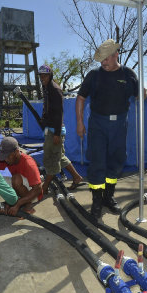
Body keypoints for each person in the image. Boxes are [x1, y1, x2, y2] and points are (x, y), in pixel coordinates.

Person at [75, 39, 139, 218]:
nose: (103, 63)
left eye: (106, 59)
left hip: (119, 124)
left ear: (116, 55)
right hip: (98, 124)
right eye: (101, 59)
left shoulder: (128, 74)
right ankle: (96, 201)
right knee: (97, 162)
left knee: (117, 161)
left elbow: (139, 94)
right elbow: (80, 98)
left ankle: (108, 197)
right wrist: (80, 122)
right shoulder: (94, 75)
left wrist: (142, 92)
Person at [38, 64, 83, 195]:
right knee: (59, 156)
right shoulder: (46, 88)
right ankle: (76, 177)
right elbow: (47, 108)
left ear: (50, 75)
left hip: (55, 131)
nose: (42, 78)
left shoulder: (54, 89)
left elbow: (59, 113)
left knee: (52, 158)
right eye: (41, 76)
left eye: (45, 75)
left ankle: (45, 187)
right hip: (50, 129)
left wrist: (57, 133)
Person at [0, 136, 42, 216]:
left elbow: (38, 189)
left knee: (16, 178)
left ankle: (28, 206)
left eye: (7, 156)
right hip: (19, 188)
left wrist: (17, 204)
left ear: (16, 152)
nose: (5, 159)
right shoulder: (8, 159)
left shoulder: (28, 163)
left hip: (33, 195)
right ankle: (14, 199)